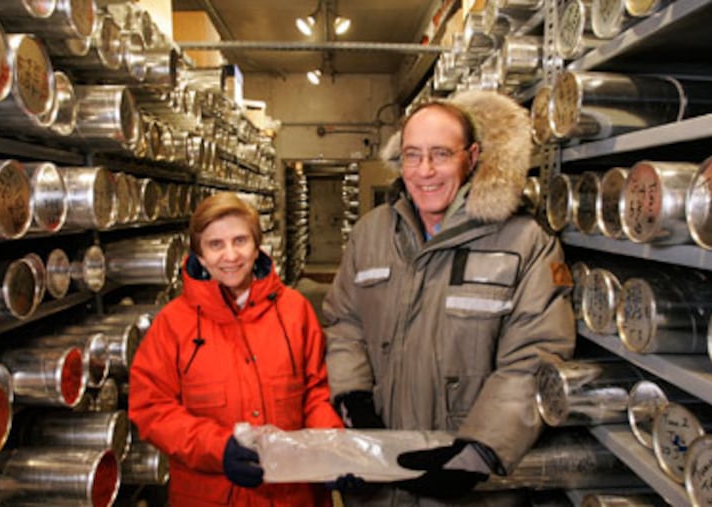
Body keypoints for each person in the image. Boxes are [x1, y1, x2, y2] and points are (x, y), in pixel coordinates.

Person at [323, 90, 576, 506]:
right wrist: (354, 401)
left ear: (472, 156)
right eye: (412, 155)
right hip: (378, 475)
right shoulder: (371, 233)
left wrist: (478, 453)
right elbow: (344, 323)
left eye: (441, 153)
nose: (425, 171)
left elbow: (537, 356)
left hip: (468, 487)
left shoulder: (524, 243)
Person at [129, 192, 344, 506]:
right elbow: (152, 408)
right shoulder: (173, 324)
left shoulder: (294, 310)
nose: (230, 256)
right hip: (212, 495)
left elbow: (315, 392)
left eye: (240, 240)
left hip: (292, 493)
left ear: (258, 247)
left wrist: (330, 446)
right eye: (215, 245)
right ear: (200, 256)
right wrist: (218, 448)